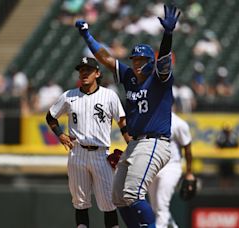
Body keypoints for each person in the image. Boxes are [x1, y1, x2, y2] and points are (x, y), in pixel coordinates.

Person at [75, 4, 188, 227]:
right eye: (134, 60)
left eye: (141, 61)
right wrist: (88, 36)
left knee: (132, 193)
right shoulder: (129, 77)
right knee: (117, 197)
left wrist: (167, 34)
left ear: (150, 62)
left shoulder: (159, 77)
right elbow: (106, 58)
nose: (136, 64)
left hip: (155, 141)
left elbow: (164, 58)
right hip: (135, 144)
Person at [46, 57, 131, 228]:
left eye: (88, 70)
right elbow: (50, 117)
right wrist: (60, 134)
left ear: (97, 73)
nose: (84, 73)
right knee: (80, 202)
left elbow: (122, 123)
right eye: (81, 70)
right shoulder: (69, 96)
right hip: (77, 153)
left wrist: (132, 146)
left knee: (109, 203)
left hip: (101, 154)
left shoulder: (109, 95)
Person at [147, 112, 194, 228]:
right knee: (155, 207)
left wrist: (189, 173)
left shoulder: (178, 123)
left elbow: (187, 149)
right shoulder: (150, 119)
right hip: (153, 166)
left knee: (162, 204)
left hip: (171, 167)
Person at [215, 122, 239, 188]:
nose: (227, 133)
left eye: (228, 131)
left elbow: (237, 146)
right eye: (225, 131)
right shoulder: (220, 137)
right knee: (222, 175)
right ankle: (222, 189)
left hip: (231, 160)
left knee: (230, 175)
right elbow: (217, 146)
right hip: (222, 160)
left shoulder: (233, 138)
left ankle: (230, 189)